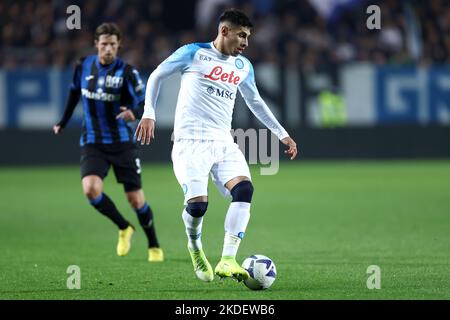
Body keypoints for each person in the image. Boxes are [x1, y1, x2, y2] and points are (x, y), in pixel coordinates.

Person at [135, 9, 297, 281]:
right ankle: (195, 245)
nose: (246, 43)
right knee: (198, 206)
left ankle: (227, 259)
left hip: (223, 140)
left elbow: (255, 101)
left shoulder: (243, 67)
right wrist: (148, 113)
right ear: (224, 31)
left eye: (248, 37)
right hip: (190, 142)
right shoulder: (193, 53)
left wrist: (282, 134)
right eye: (242, 36)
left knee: (244, 189)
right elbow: (156, 76)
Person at [53, 23, 164, 262]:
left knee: (135, 200)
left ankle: (154, 244)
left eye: (113, 44)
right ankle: (124, 227)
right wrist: (62, 121)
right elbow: (74, 93)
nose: (108, 49)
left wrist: (134, 112)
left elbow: (146, 101)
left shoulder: (127, 72)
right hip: (93, 141)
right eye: (104, 44)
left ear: (118, 45)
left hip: (122, 142)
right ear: (96, 45)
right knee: (90, 190)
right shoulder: (83, 66)